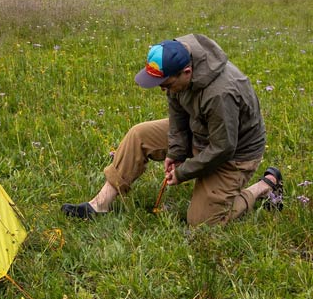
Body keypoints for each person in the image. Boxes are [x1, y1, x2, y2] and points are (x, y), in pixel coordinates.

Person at [62, 35, 283, 226]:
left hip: (235, 153)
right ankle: (99, 205)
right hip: (201, 129)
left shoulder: (220, 94)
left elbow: (223, 147)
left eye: (166, 85)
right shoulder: (179, 57)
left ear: (187, 72)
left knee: (202, 221)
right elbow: (177, 112)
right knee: (139, 135)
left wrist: (183, 172)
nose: (163, 90)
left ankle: (265, 186)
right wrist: (176, 152)